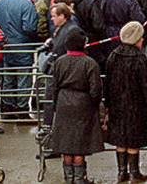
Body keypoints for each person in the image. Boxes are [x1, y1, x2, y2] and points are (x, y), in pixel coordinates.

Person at [44, 26, 104, 184]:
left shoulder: (60, 62)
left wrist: (57, 104)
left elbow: (54, 86)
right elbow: (96, 90)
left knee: (66, 143)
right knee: (79, 144)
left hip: (64, 102)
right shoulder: (90, 63)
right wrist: (95, 105)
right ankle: (79, 179)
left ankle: (68, 178)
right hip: (83, 104)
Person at [103, 21, 147, 183]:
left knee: (121, 139)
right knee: (134, 140)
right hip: (136, 105)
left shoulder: (114, 55)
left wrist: (106, 102)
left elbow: (107, 82)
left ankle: (121, 172)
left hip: (117, 105)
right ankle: (135, 172)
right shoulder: (140, 58)